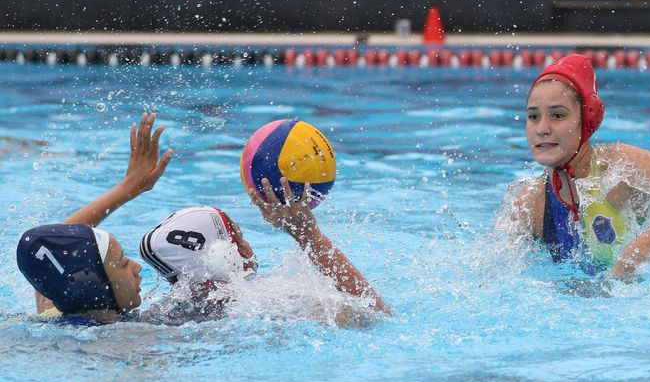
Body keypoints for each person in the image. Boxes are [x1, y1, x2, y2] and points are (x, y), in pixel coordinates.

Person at [511, 53, 650, 278]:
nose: (542, 128)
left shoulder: (619, 168)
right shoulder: (531, 204)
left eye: (558, 115)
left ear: (587, 118)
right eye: (533, 116)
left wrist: (636, 255)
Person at [139, 175, 390, 324]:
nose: (246, 244)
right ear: (222, 255)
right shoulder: (262, 306)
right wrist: (308, 235)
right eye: (238, 236)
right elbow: (372, 314)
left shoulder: (161, 315)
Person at [16, 112, 173, 323]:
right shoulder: (130, 339)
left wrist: (130, 187)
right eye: (122, 262)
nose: (137, 266)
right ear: (91, 283)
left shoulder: (55, 308)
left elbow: (46, 248)